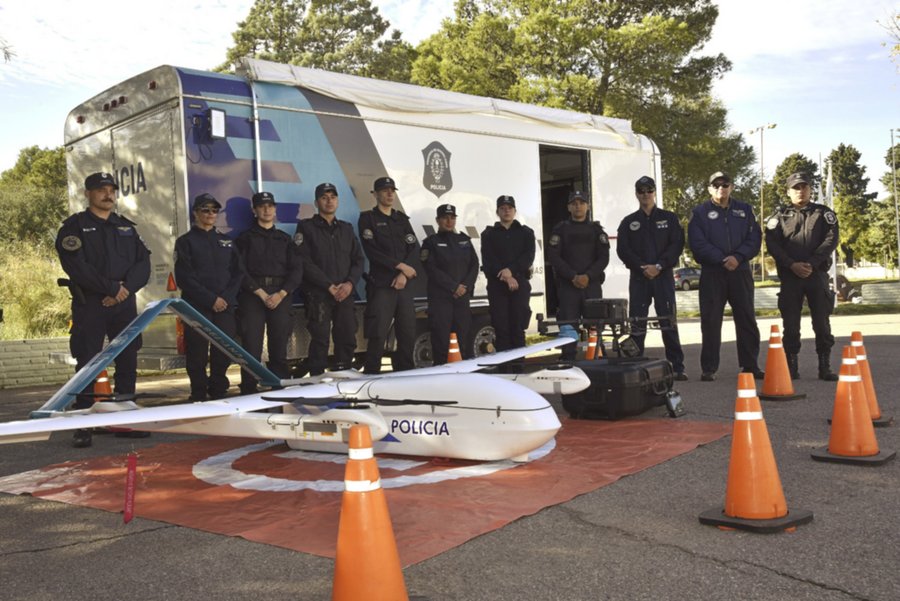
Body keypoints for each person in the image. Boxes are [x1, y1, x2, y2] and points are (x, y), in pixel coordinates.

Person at [56, 171, 151, 448]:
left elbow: (143, 264)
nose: (107, 194)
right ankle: (83, 424)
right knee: (88, 360)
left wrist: (124, 291)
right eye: (101, 189)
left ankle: (124, 418)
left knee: (128, 357)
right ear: (88, 193)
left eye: (111, 189)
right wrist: (111, 289)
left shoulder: (126, 227)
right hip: (91, 304)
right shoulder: (74, 227)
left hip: (123, 304)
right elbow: (76, 266)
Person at [687, 171, 763, 381]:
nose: (721, 187)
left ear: (732, 187)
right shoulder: (700, 213)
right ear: (710, 188)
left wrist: (737, 258)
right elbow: (697, 243)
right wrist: (722, 259)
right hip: (713, 273)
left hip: (740, 271)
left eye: (725, 184)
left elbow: (754, 238)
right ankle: (709, 367)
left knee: (746, 318)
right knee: (711, 321)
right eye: (716, 184)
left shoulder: (745, 210)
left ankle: (750, 364)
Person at [764, 172, 839, 380]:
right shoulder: (778, 217)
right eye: (796, 187)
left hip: (816, 275)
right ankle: (791, 367)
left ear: (810, 189)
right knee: (791, 323)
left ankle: (824, 367)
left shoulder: (824, 213)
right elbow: (772, 244)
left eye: (804, 187)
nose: (800, 191)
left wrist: (812, 264)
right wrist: (791, 264)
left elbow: (831, 240)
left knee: (822, 322)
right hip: (790, 276)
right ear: (788, 191)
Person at [616, 176, 688, 380]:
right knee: (637, 323)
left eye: (649, 190)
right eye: (641, 190)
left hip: (663, 277)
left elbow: (676, 245)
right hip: (639, 279)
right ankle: (634, 366)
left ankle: (677, 366)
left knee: (668, 322)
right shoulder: (629, 222)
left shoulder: (669, 218)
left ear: (654, 192)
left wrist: (659, 266)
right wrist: (642, 268)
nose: (645, 194)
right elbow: (623, 250)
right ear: (636, 193)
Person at [174, 193, 244, 401]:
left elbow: (238, 273)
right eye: (206, 210)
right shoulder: (185, 242)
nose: (211, 214)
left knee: (223, 351)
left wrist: (226, 298)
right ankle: (198, 392)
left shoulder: (226, 241)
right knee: (197, 353)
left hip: (225, 306)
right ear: (196, 213)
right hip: (198, 306)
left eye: (214, 210)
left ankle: (218, 389)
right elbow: (184, 277)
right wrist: (211, 300)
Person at [235, 191, 303, 393]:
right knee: (251, 347)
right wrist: (261, 294)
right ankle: (248, 388)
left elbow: (296, 269)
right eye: (262, 206)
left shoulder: (285, 239)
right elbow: (239, 269)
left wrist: (281, 294)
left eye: (270, 206)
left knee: (279, 345)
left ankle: (278, 387)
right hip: (253, 295)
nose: (267, 210)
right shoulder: (245, 239)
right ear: (255, 210)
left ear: (275, 209)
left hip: (280, 295)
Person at [296, 183, 364, 375]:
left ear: (338, 201)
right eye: (324, 197)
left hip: (345, 293)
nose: (329, 201)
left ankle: (344, 374)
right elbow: (304, 261)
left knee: (347, 336)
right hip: (319, 294)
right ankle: (317, 378)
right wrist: (328, 286)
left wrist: (350, 283)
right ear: (316, 202)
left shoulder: (346, 229)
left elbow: (358, 260)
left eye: (333, 197)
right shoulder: (306, 227)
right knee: (320, 339)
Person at [358, 177, 420, 374]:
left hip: (404, 285)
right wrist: (400, 265)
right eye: (385, 190)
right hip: (382, 286)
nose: (390, 194)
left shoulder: (401, 219)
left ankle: (404, 375)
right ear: (375, 194)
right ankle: (372, 375)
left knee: (407, 333)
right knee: (377, 333)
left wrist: (403, 274)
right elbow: (372, 251)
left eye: (392, 190)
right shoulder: (367, 219)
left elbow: (413, 248)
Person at [546, 190, 610, 361]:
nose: (578, 206)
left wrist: (588, 276)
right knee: (568, 326)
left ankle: (596, 358)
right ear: (569, 207)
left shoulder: (596, 231)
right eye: (574, 203)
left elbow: (604, 258)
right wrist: (573, 276)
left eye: (581, 203)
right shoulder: (560, 230)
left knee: (595, 326)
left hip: (592, 285)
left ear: (587, 206)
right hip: (568, 286)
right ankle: (568, 360)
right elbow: (553, 257)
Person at [421, 204, 480, 365]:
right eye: (445, 218)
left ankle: (465, 372)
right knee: (440, 338)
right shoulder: (430, 242)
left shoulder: (464, 240)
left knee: (463, 337)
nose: (449, 221)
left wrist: (465, 287)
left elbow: (474, 266)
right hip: (441, 299)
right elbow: (431, 269)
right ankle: (441, 372)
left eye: (452, 218)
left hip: (462, 299)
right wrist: (453, 287)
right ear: (438, 220)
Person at [480, 195, 536, 351]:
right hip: (497, 286)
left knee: (518, 329)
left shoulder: (526, 232)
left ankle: (519, 368)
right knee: (501, 329)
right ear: (497, 212)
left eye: (509, 208)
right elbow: (488, 259)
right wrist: (505, 275)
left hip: (520, 284)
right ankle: (505, 371)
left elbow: (528, 257)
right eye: (502, 208)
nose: (506, 211)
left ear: (515, 211)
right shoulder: (488, 234)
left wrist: (510, 271)